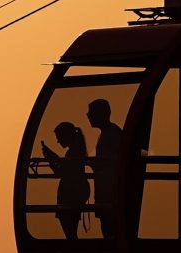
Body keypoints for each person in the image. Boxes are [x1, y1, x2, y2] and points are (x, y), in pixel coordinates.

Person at [37, 121, 92, 239]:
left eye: (59, 137)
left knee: (70, 233)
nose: (58, 141)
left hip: (70, 195)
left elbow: (62, 172)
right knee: (70, 232)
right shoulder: (75, 151)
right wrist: (52, 158)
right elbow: (63, 170)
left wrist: (51, 157)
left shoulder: (74, 152)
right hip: (72, 194)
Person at [85, 98, 127, 238]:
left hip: (109, 192)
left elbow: (113, 163)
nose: (88, 115)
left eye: (91, 112)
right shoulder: (108, 133)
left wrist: (94, 164)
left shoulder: (112, 134)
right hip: (106, 192)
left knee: (109, 229)